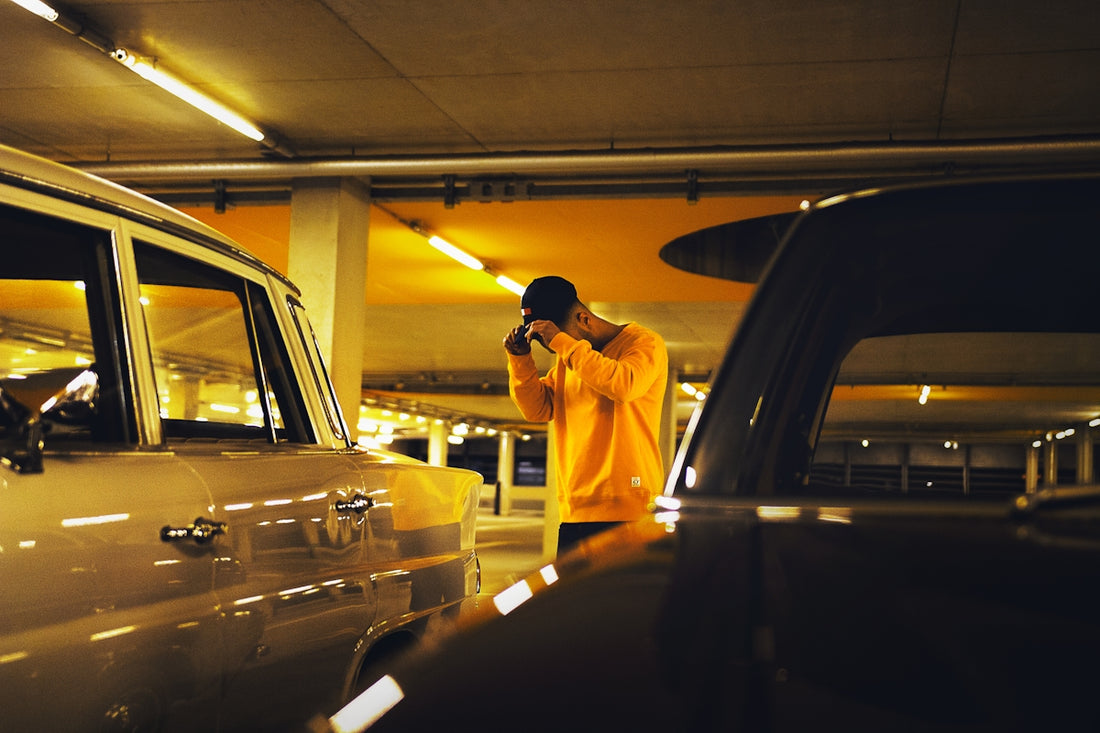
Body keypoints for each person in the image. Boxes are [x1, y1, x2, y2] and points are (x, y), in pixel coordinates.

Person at [503, 275, 668, 556]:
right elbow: (537, 409)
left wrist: (563, 344)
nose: (557, 349)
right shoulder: (571, 360)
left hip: (628, 510)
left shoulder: (643, 343)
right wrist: (520, 361)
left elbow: (624, 385)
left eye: (558, 341)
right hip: (575, 511)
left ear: (584, 319)